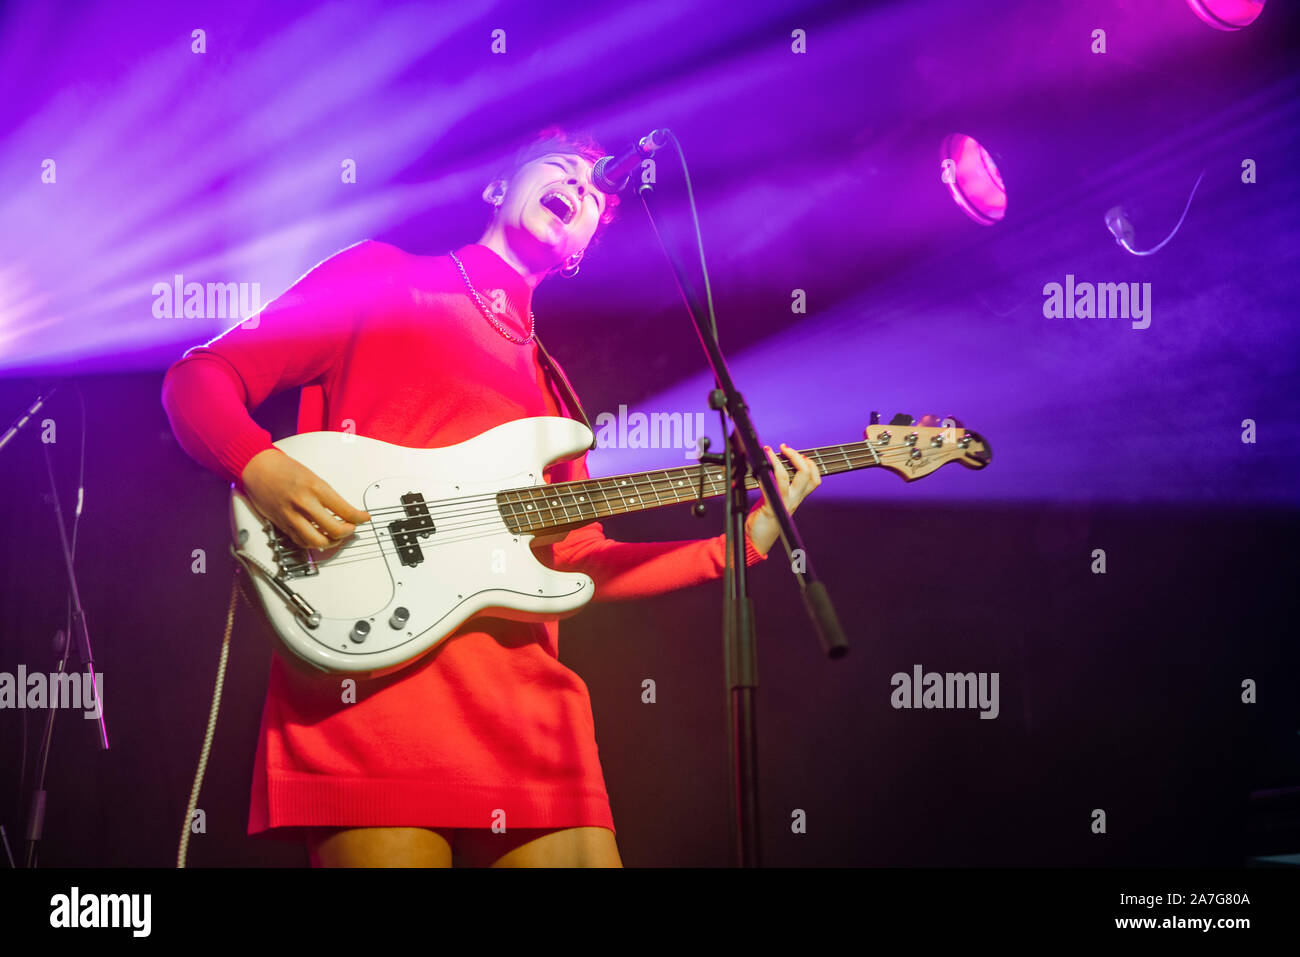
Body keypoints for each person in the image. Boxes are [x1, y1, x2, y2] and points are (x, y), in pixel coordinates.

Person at [160, 126, 821, 867]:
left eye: (597, 191)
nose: (582, 182)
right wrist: (260, 466)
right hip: (377, 684)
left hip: (533, 713)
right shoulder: (384, 278)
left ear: (579, 252)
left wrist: (743, 544)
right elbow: (198, 380)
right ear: (495, 187)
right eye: (562, 166)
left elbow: (580, 560)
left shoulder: (557, 400)